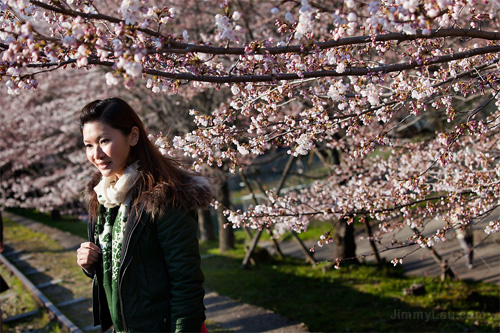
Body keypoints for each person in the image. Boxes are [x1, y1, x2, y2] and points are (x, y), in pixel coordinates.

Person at [76, 98, 214, 332]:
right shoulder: (104, 196)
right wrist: (90, 263)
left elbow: (186, 284)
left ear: (133, 136)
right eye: (88, 145)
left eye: (104, 140)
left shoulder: (162, 197)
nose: (96, 154)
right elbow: (124, 276)